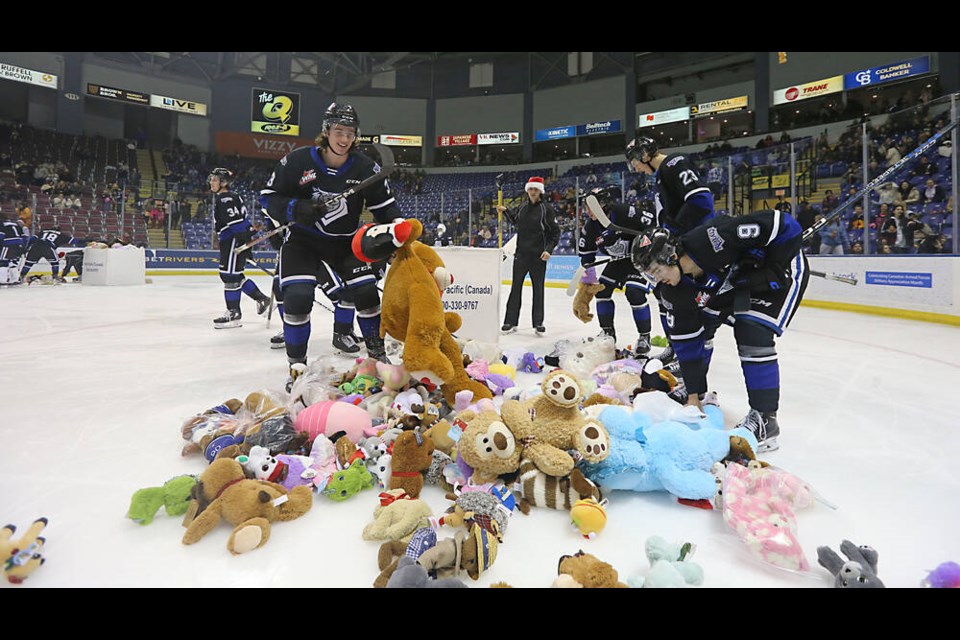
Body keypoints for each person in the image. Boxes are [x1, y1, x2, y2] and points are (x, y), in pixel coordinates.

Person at [631, 208, 810, 452]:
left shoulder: (713, 238)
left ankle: (766, 421)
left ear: (671, 257)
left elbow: (784, 224)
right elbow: (687, 344)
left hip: (782, 272)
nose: (656, 279)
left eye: (656, 271)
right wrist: (695, 396)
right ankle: (698, 390)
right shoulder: (673, 291)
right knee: (703, 326)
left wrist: (774, 264)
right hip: (737, 284)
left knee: (751, 330)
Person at [259, 102, 405, 383]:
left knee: (366, 295)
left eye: (350, 132)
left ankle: (376, 359)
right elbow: (268, 197)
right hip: (303, 241)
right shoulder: (298, 161)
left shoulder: (366, 167)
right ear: (326, 131)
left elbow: (386, 208)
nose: (344, 138)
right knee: (298, 298)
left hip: (345, 242)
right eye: (339, 131)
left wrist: (399, 229)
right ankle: (297, 369)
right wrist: (295, 208)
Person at [624, 133, 716, 365]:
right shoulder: (661, 176)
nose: (636, 169)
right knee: (665, 295)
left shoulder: (674, 163)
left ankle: (692, 358)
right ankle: (676, 348)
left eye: (635, 162)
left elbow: (701, 200)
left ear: (645, 154)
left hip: (696, 248)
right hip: (684, 245)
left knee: (689, 304)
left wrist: (672, 231)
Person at [577, 185, 656, 356]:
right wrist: (589, 277)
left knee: (634, 292)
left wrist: (642, 246)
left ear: (604, 204)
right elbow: (586, 256)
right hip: (618, 262)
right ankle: (608, 333)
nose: (588, 211)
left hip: (639, 260)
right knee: (602, 292)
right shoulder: (590, 227)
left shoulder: (625, 212)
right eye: (587, 206)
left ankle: (644, 336)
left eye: (593, 206)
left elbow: (652, 226)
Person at [496, 175, 560, 335]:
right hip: (521, 255)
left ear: (540, 191)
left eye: (535, 189)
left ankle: (538, 323)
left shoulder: (547, 209)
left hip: (538, 256)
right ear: (527, 190)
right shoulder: (523, 207)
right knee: (515, 288)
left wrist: (548, 250)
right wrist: (505, 212)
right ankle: (510, 322)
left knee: (538, 290)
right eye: (530, 189)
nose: (532, 191)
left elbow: (555, 232)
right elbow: (517, 221)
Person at [208, 168, 271, 329]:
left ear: (223, 182)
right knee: (236, 276)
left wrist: (244, 240)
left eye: (215, 180)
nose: (211, 182)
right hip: (235, 239)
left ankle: (233, 313)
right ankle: (262, 299)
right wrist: (247, 239)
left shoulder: (225, 199)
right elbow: (243, 221)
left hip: (231, 240)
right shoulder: (232, 196)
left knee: (229, 276)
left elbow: (236, 223)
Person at [0, 213, 27, 284]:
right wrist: (23, 247)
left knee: (3, 262)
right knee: (13, 262)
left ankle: (2, 280)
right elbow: (24, 237)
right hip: (19, 245)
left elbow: (1, 236)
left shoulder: (2, 225)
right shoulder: (16, 225)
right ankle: (14, 279)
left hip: (8, 244)